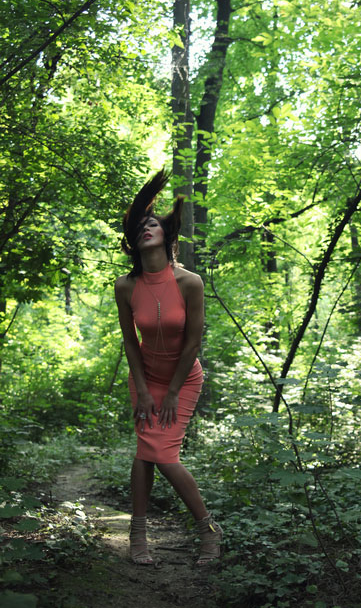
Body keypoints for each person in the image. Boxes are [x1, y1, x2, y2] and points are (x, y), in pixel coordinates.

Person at [114, 168, 222, 566]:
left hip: (183, 379)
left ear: (167, 234)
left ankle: (208, 530)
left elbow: (192, 342)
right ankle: (138, 535)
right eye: (140, 226)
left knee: (162, 454)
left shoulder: (189, 282)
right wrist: (143, 390)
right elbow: (130, 341)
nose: (146, 228)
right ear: (133, 239)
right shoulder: (125, 286)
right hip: (145, 378)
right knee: (146, 451)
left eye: (153, 224)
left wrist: (173, 390)